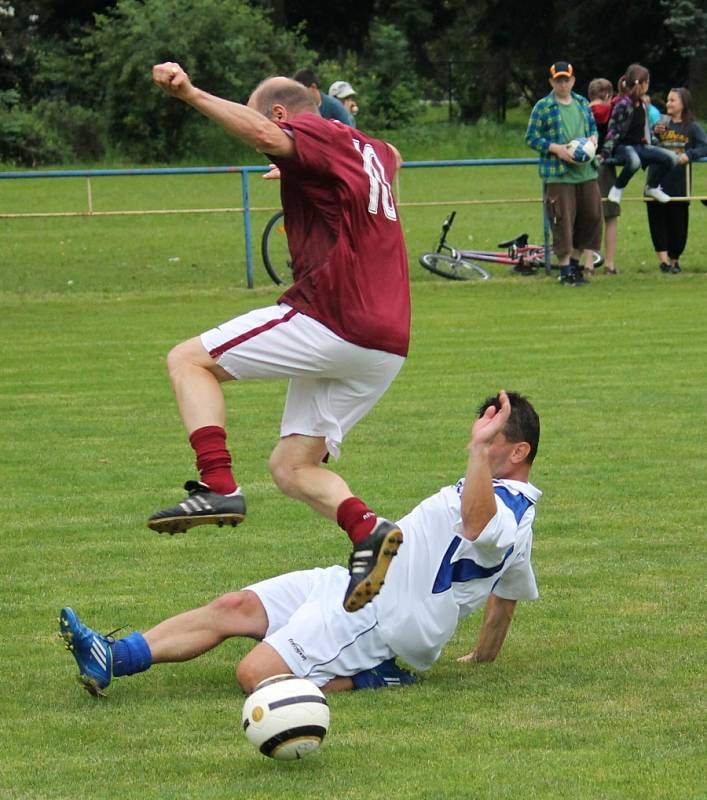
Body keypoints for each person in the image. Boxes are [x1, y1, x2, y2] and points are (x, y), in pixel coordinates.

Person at [58, 391, 542, 698]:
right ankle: (112, 657)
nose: (475, 441)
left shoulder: (512, 508)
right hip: (359, 582)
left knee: (254, 674)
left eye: (490, 434)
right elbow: (509, 593)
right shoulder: (500, 501)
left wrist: (478, 452)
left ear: (517, 452)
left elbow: (480, 527)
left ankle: (372, 676)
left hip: (385, 616)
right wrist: (483, 657)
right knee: (235, 606)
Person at [148, 65, 411, 613]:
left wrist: (191, 93)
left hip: (337, 315)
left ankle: (217, 483)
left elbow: (269, 135)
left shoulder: (314, 132)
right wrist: (299, 172)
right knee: (292, 467)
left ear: (281, 115)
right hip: (387, 342)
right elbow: (393, 159)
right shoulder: (374, 150)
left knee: (188, 360)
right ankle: (368, 530)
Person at [525, 61, 603, 286]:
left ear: (573, 81)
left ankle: (577, 266)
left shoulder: (582, 103)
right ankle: (565, 270)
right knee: (562, 221)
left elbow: (593, 129)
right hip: (559, 176)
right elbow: (531, 137)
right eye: (558, 80)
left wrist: (593, 141)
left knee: (591, 218)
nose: (562, 84)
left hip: (586, 173)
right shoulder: (543, 106)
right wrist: (557, 149)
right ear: (551, 82)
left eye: (566, 80)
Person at [600, 63, 680, 205]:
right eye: (648, 81)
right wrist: (605, 153)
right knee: (634, 161)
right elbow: (613, 129)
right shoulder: (623, 103)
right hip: (623, 147)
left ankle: (652, 187)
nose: (649, 84)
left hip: (641, 146)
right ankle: (618, 187)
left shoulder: (643, 104)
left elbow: (644, 129)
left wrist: (655, 135)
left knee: (672, 158)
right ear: (643, 83)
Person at [646, 87, 707, 274]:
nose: (668, 103)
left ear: (683, 104)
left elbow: (704, 147)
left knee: (678, 224)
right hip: (657, 181)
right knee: (658, 221)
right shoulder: (661, 124)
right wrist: (654, 134)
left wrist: (689, 155)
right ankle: (663, 262)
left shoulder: (692, 127)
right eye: (668, 100)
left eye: (673, 100)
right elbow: (647, 145)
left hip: (679, 184)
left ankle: (675, 260)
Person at [588, 77, 620, 274]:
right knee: (610, 216)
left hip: (586, 166)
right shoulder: (613, 111)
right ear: (608, 95)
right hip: (606, 166)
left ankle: (588, 263)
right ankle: (609, 263)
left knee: (589, 216)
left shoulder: (583, 111)